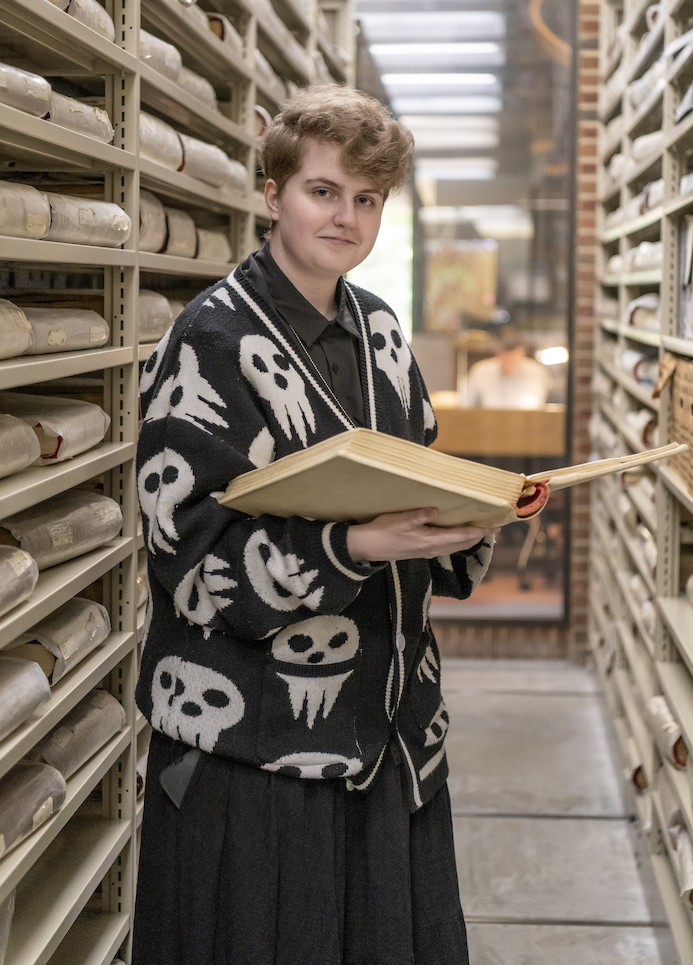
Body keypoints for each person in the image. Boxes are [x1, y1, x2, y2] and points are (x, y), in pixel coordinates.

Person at [132, 86, 497, 965]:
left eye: (366, 199)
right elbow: (185, 556)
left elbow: (420, 465)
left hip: (391, 734)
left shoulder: (379, 329)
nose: (347, 217)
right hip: (257, 755)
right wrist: (354, 545)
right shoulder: (209, 341)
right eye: (323, 192)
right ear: (273, 195)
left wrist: (473, 511)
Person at [464, 325, 549, 409]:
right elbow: (466, 407)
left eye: (514, 354)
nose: (510, 359)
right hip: (489, 422)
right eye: (504, 354)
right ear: (496, 352)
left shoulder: (537, 372)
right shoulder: (480, 372)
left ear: (523, 350)